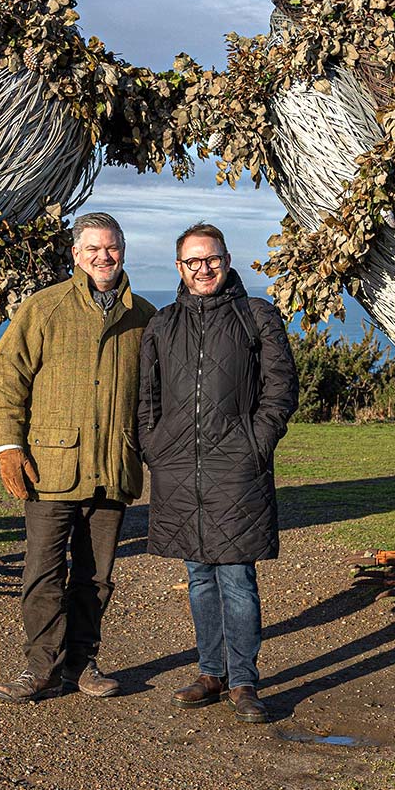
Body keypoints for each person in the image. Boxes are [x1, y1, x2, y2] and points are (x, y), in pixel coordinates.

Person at [0, 212, 155, 702]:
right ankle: (40, 667)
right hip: (49, 468)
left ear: (123, 249)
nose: (103, 257)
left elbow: (156, 394)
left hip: (114, 467)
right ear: (76, 254)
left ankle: (82, 663)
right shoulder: (45, 308)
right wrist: (8, 447)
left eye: (111, 248)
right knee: (42, 571)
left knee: (97, 577)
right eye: (92, 249)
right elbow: (8, 375)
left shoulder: (145, 316)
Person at [136, 222, 297, 722]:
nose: (203, 268)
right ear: (179, 267)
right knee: (199, 577)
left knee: (236, 578)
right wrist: (154, 447)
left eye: (211, 259)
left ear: (227, 260)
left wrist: (256, 442)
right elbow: (147, 398)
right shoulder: (161, 325)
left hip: (237, 468)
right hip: (177, 466)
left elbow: (281, 388)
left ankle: (244, 681)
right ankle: (211, 673)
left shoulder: (257, 316)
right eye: (192, 261)